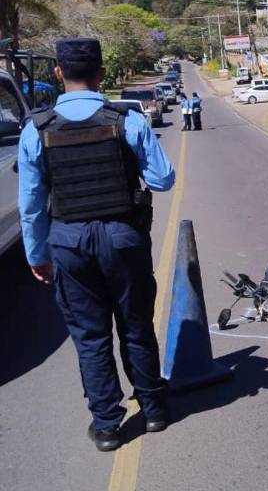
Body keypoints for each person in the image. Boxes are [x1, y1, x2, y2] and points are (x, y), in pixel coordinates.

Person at [17, 38, 175, 452]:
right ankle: (154, 408)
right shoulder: (126, 120)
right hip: (123, 239)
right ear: (102, 74)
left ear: (57, 74)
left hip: (68, 241)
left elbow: (31, 204)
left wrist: (38, 256)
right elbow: (163, 179)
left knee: (90, 336)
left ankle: (107, 426)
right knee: (136, 326)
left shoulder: (37, 128)